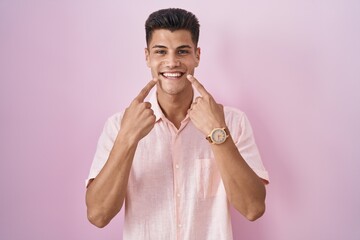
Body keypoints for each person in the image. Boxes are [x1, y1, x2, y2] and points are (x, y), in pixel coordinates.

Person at [85, 8, 269, 240]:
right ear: (147, 57)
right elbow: (98, 215)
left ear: (197, 56)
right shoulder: (118, 125)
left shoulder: (232, 121)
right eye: (161, 51)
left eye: (182, 51)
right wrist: (127, 138)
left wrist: (217, 134)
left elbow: (253, 209)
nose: (172, 62)